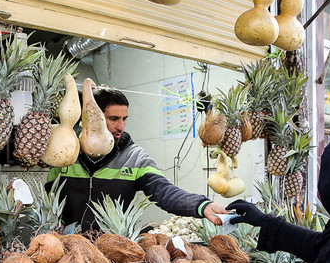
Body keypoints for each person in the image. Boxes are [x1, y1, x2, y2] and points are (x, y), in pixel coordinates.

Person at [47, 85, 227, 231]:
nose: (121, 126)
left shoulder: (134, 157)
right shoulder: (66, 151)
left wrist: (202, 205)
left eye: (124, 119)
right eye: (114, 118)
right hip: (66, 247)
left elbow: (163, 191)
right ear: (92, 117)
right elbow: (49, 193)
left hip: (111, 249)